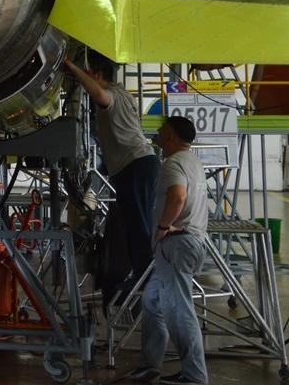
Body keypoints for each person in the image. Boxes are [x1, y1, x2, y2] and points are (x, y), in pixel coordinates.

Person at [64, 49, 161, 307]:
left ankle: (145, 281)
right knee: (132, 224)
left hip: (134, 165)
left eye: (90, 75)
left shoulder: (111, 95)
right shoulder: (124, 93)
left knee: (137, 226)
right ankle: (140, 277)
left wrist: (73, 68)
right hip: (136, 164)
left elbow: (100, 95)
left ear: (97, 75)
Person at [130, 116, 207, 385]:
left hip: (177, 244)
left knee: (179, 311)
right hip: (187, 243)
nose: (158, 133)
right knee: (152, 302)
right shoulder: (193, 161)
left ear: (171, 136)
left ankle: (194, 375)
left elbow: (178, 196)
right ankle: (150, 365)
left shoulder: (173, 163)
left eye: (162, 130)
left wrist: (163, 226)